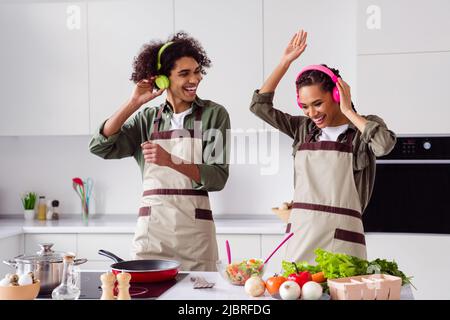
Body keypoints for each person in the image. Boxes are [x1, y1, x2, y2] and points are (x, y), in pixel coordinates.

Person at [250, 29, 396, 264]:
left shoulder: (363, 129)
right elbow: (259, 106)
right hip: (302, 233)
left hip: (344, 236)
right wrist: (285, 62)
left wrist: (349, 111)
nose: (312, 113)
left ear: (337, 95)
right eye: (305, 106)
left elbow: (384, 146)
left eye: (318, 103)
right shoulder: (302, 128)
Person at [89, 32, 230, 271]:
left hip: (195, 237)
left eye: (197, 71)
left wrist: (171, 160)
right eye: (184, 74)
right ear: (163, 79)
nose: (194, 79)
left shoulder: (213, 114)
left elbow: (217, 178)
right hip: (152, 235)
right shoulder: (147, 119)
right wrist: (134, 103)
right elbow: (101, 146)